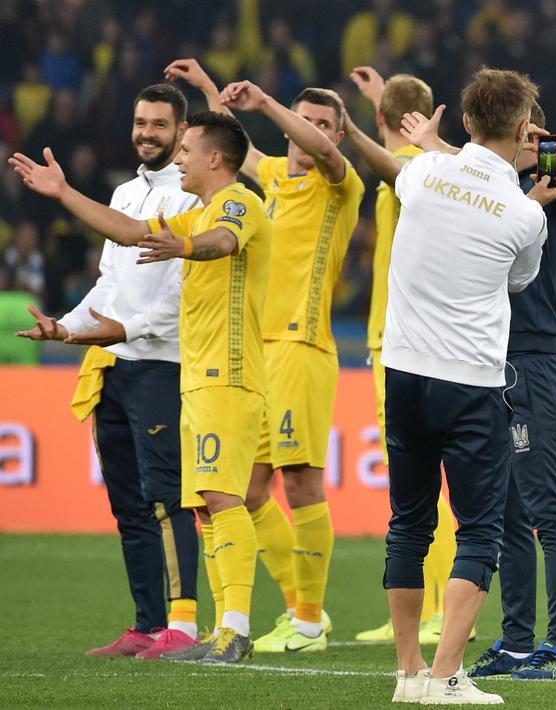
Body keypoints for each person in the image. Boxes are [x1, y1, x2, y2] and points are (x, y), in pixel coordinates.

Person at [11, 110, 272, 664]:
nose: (178, 157)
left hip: (228, 373)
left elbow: (223, 243)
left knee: (223, 499)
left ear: (214, 159)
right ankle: (221, 632)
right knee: (205, 505)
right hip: (200, 378)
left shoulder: (237, 202)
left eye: (187, 150)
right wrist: (63, 195)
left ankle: (236, 630)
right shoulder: (195, 214)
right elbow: (129, 233)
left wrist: (184, 248)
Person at [382, 67, 556, 704]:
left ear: (464, 121)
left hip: (403, 371)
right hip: (470, 382)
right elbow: (517, 283)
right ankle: (445, 676)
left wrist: (435, 148)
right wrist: (531, 206)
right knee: (480, 530)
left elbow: (430, 170)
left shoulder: (420, 173)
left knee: (407, 524)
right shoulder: (525, 215)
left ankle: (408, 674)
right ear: (525, 131)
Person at [166, 58, 366, 652]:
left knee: (301, 482)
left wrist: (272, 105)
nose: (309, 132)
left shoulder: (339, 182)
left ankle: (308, 619)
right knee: (248, 494)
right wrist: (208, 90)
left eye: (321, 124)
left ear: (336, 133)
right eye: (302, 121)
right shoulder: (275, 176)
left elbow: (319, 149)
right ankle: (294, 611)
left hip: (302, 348)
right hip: (254, 353)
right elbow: (229, 153)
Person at [13, 84, 202, 659]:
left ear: (181, 130)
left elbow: (172, 303)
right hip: (113, 365)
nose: (147, 133)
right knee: (128, 503)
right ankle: (147, 624)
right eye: (140, 122)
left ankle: (184, 628)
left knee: (167, 497)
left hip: (160, 366)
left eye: (160, 125)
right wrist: (66, 327)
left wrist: (114, 332)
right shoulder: (123, 191)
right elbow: (108, 287)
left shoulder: (193, 201)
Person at [341, 66, 462, 647]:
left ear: (384, 122)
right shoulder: (438, 162)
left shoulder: (411, 171)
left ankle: (432, 608)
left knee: (418, 483)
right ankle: (426, 605)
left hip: (398, 339)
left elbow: (385, 152)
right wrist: (381, 98)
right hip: (419, 338)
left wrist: (360, 119)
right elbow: (400, 125)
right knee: (424, 483)